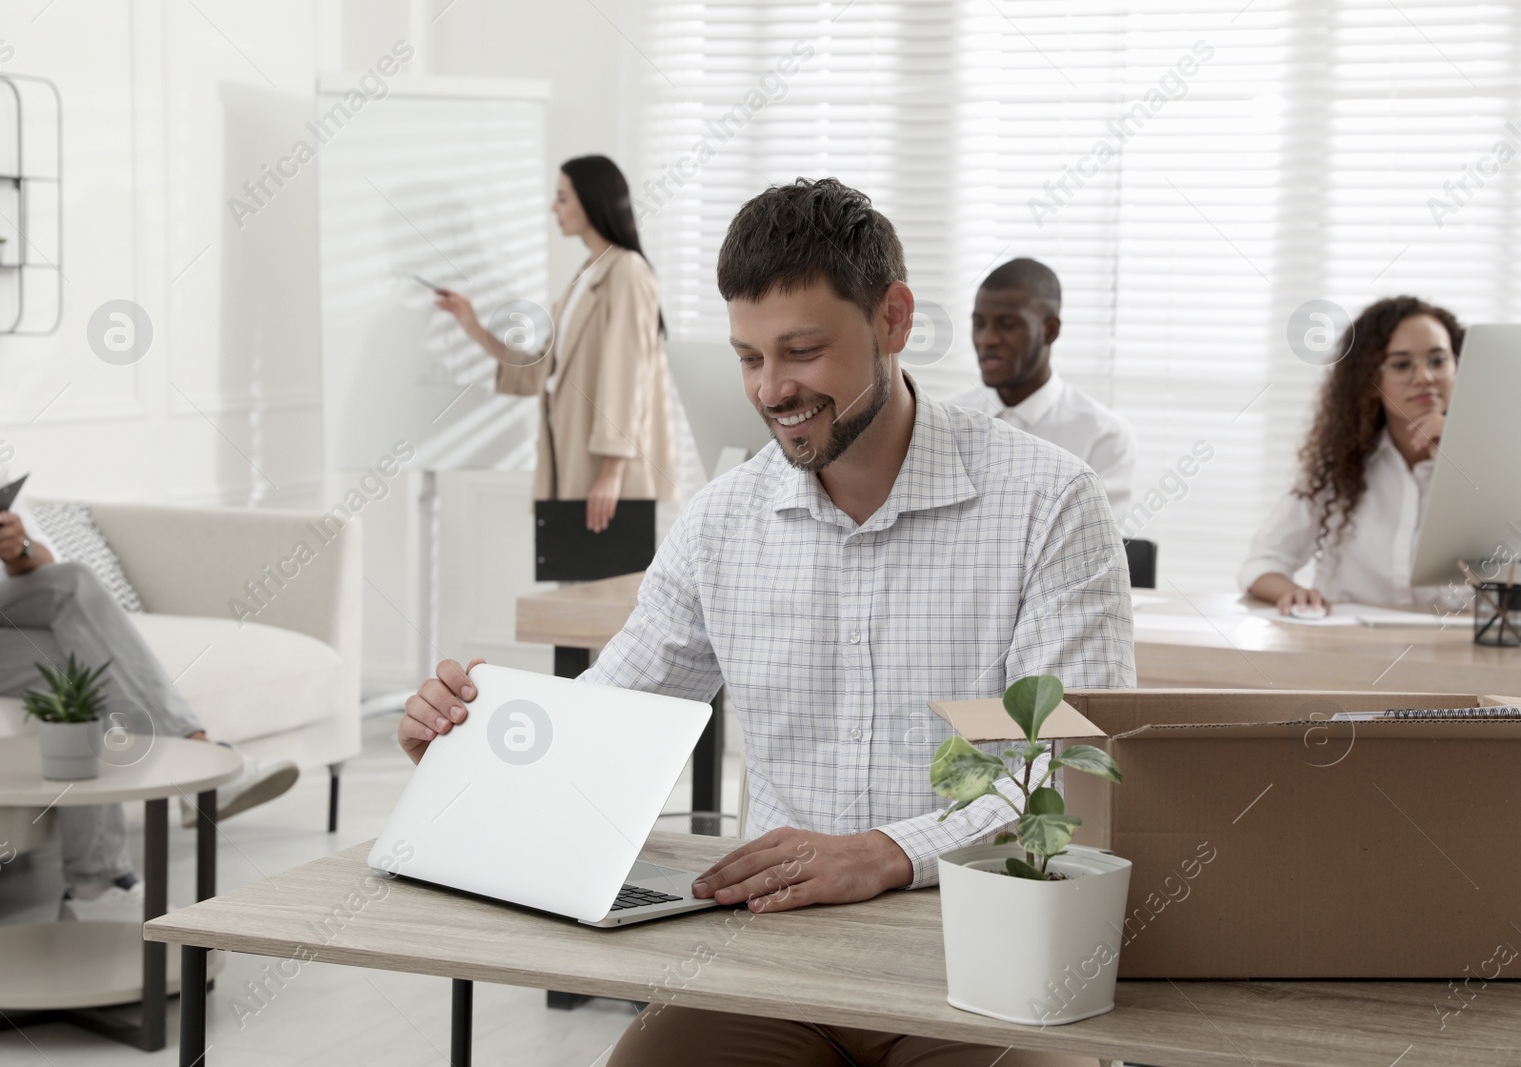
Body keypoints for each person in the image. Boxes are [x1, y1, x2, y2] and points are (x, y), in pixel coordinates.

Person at [400, 179, 1132, 1066]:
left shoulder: (1050, 502)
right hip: (777, 962)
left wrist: (887, 853)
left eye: (803, 350)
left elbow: (1056, 778)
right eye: (749, 357)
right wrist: (471, 734)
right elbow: (604, 726)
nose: (773, 388)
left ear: (894, 319)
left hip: (984, 947)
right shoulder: (721, 523)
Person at [0, 292, 299, 921]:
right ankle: (102, 879)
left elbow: (38, 562)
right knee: (80, 665)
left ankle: (192, 757)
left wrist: (16, 549)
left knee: (70, 587)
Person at [434, 155, 678, 532]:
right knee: (571, 584)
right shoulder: (586, 274)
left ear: (592, 200)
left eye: (562, 198)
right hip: (568, 456)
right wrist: (472, 326)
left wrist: (612, 471)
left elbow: (627, 375)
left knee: (602, 586)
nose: (554, 208)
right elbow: (545, 370)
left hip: (605, 473)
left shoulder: (627, 272)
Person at [1240, 295, 1468, 615]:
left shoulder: (1493, 468)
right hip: (1348, 650)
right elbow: (1263, 562)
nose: (1425, 378)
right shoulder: (1338, 466)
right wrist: (1295, 594)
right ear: (1370, 380)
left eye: (1438, 360)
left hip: (1453, 655)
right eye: (1402, 364)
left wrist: (1462, 454)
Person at [949, 258, 1136, 516]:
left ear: (1049, 331)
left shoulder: (1102, 436)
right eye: (979, 323)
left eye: (1008, 324)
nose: (987, 339)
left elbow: (1090, 548)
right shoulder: (948, 420)